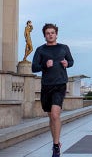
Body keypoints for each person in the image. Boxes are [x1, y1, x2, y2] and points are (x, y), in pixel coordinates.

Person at [31, 23, 74, 157]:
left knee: (55, 115)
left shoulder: (64, 48)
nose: (50, 35)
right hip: (46, 86)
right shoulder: (40, 50)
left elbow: (71, 62)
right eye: (48, 33)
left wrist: (67, 64)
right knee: (51, 117)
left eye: (52, 32)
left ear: (56, 34)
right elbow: (34, 68)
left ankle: (56, 146)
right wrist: (45, 64)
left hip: (60, 85)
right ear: (45, 36)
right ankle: (56, 141)